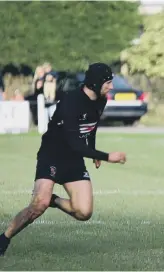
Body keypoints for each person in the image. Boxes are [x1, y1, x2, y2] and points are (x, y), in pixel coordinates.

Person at [0, 63, 127, 256]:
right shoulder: (71, 102)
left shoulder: (101, 100)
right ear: (95, 83)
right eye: (108, 83)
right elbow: (75, 144)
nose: (111, 86)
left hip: (73, 159)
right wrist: (107, 156)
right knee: (38, 204)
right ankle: (4, 238)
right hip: (52, 155)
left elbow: (92, 125)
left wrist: (92, 151)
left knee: (84, 212)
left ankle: (55, 200)